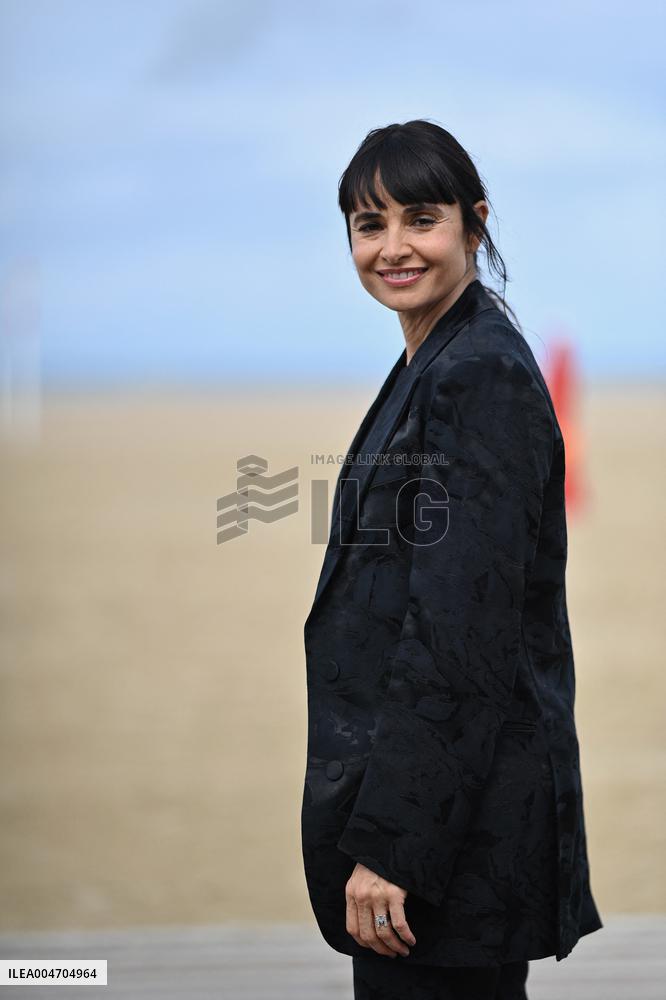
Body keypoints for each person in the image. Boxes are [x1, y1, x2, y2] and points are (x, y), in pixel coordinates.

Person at [300, 119, 602, 1000]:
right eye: (368, 223)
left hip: (451, 843)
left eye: (419, 218)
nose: (392, 247)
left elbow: (459, 634)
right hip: (444, 822)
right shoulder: (436, 356)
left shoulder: (479, 375)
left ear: (474, 225)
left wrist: (393, 847)